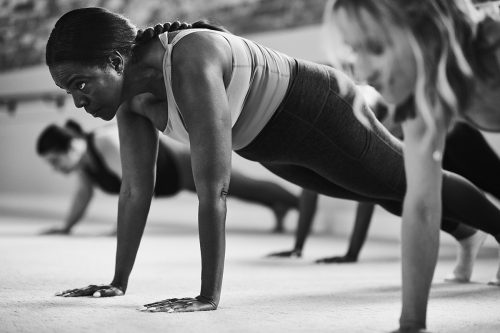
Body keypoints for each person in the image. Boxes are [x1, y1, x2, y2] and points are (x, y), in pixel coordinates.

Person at [45, 7, 500, 332]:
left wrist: (207, 296)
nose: (78, 101)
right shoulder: (130, 103)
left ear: (117, 61)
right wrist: (117, 282)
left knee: (403, 181)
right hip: (267, 141)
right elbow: (134, 192)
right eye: (69, 92)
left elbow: (213, 190)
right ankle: (466, 233)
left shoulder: (187, 58)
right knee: (374, 189)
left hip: (315, 107)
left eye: (80, 84)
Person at [327, 0, 500, 331]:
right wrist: (411, 324)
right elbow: (421, 206)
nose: (362, 71)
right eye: (354, 50)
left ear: (428, 30)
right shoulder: (423, 92)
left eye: (375, 48)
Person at [269, 96, 500, 275]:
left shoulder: (350, 107)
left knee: (493, 183)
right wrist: (298, 247)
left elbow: (367, 184)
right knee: (402, 197)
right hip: (419, 144)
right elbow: (312, 186)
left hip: (452, 134)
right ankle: (469, 235)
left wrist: (352, 253)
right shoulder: (313, 129)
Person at [36, 120, 301, 235]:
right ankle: (279, 207)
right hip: (172, 178)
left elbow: (137, 187)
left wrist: (123, 229)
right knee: (241, 190)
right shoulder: (85, 165)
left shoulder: (106, 142)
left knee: (243, 187)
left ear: (72, 147)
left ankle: (302, 205)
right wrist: (66, 227)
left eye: (55, 161)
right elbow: (83, 196)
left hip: (181, 163)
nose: (55, 169)